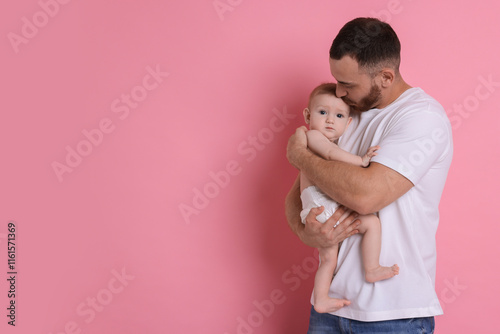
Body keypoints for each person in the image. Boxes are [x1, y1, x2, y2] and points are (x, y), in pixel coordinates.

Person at [285, 17, 453, 333]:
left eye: (348, 84)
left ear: (385, 77)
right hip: (329, 305)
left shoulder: (421, 117)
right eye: (337, 80)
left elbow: (367, 196)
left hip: (392, 313)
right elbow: (297, 195)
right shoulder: (343, 114)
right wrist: (304, 231)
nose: (338, 91)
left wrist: (299, 154)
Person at [299, 83, 399, 314]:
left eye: (339, 115)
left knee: (330, 258)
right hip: (320, 205)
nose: (330, 121)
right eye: (322, 112)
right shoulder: (313, 137)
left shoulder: (330, 140)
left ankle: (325, 295)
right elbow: (330, 153)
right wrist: (362, 161)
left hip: (323, 205)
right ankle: (367, 270)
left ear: (349, 123)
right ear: (308, 115)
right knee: (367, 226)